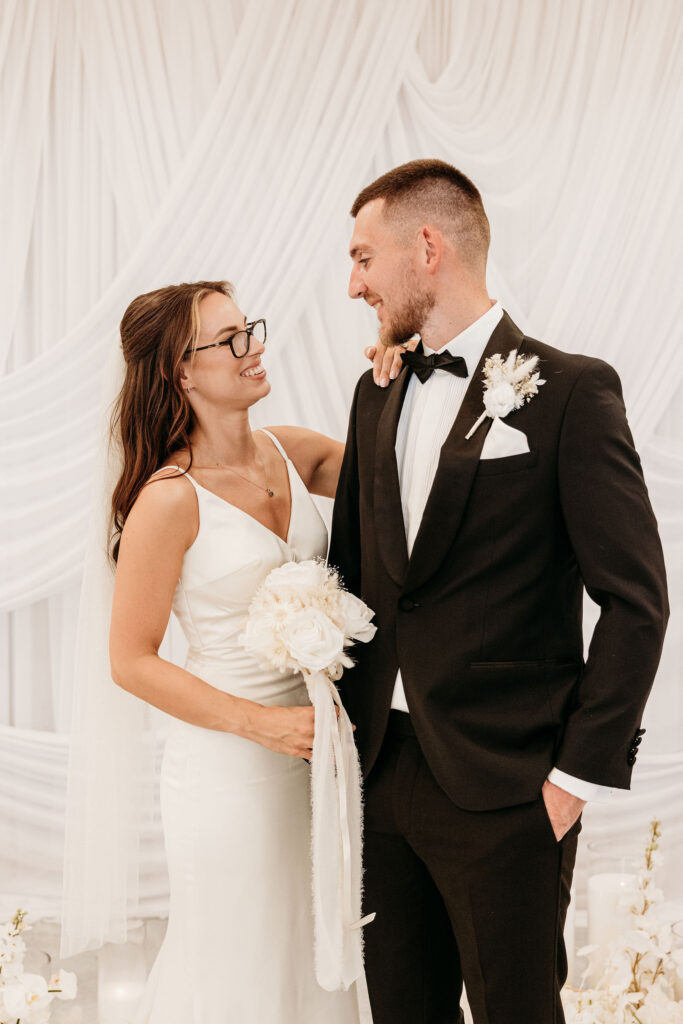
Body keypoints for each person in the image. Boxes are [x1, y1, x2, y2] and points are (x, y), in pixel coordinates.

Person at [329, 159, 669, 1024]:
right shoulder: (376, 393)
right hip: (384, 776)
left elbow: (635, 601)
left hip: (510, 786)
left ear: (428, 247)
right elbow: (358, 577)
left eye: (366, 258)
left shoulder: (570, 392)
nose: (353, 283)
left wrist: (572, 778)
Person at [107, 280, 402, 1023]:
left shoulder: (289, 453)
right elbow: (131, 659)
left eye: (251, 329)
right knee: (241, 958)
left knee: (314, 955)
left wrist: (391, 380)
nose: (254, 347)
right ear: (180, 370)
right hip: (228, 770)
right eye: (230, 339)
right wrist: (257, 723)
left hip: (317, 758)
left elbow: (396, 467)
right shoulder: (168, 498)